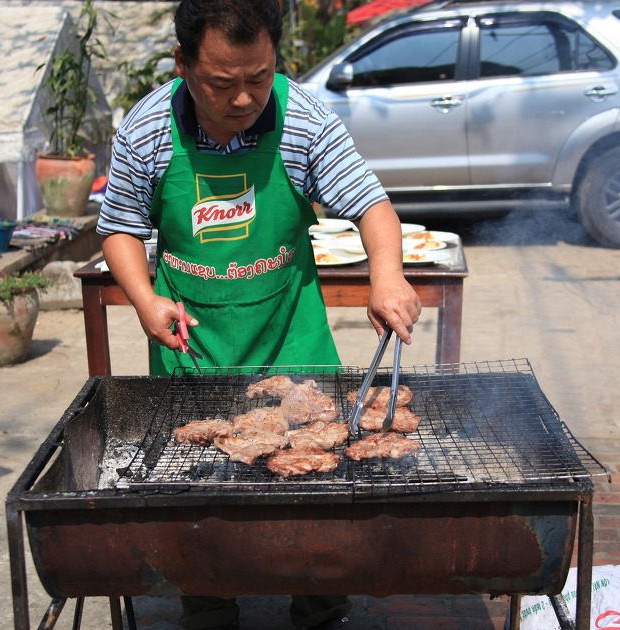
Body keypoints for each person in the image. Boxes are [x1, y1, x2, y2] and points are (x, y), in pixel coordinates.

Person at [97, 0, 421, 628]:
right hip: (194, 344)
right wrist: (144, 298)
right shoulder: (146, 128)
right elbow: (119, 228)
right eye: (222, 82)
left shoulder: (303, 119)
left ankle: (322, 610)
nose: (244, 98)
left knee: (319, 500)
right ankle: (210, 612)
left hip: (290, 336)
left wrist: (387, 276)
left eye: (259, 76)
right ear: (183, 65)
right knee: (199, 502)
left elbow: (371, 203)